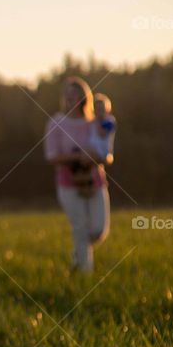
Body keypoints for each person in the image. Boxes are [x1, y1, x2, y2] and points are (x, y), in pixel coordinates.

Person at [43, 77, 112, 273]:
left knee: (98, 229)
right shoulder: (55, 122)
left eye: (75, 95)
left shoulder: (94, 122)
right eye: (68, 95)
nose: (71, 99)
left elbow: (107, 152)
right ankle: (84, 275)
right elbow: (51, 156)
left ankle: (77, 254)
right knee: (80, 228)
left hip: (95, 181)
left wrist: (94, 157)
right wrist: (76, 157)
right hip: (68, 183)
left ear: (84, 98)